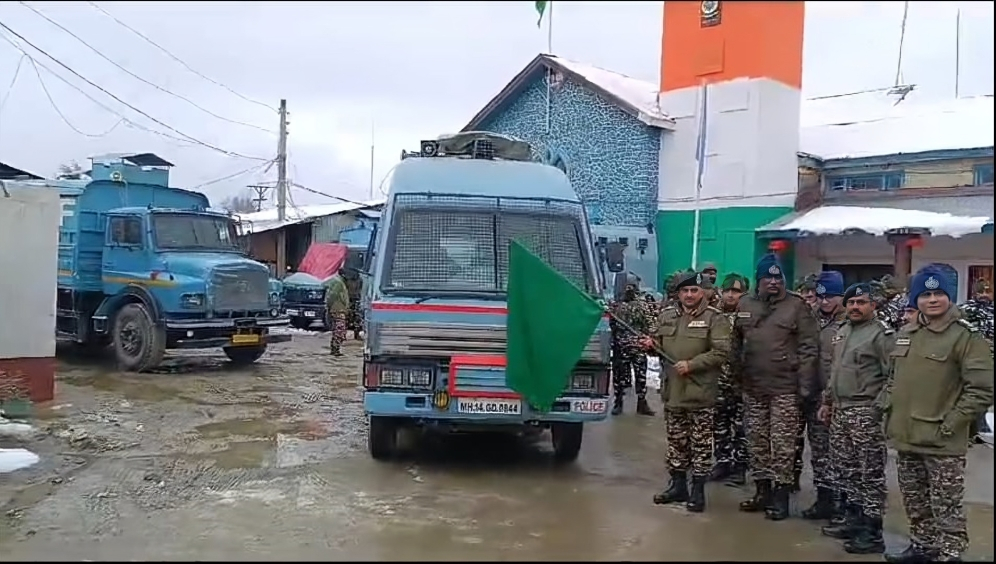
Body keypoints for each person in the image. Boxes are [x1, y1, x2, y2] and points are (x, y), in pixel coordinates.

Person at [883, 266, 994, 563]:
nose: (933, 300)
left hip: (942, 440)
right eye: (926, 294)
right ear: (916, 299)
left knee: (946, 506)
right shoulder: (908, 333)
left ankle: (950, 554)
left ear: (949, 298)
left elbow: (982, 389)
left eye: (939, 294)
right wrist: (886, 411)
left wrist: (952, 424)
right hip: (907, 435)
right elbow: (895, 379)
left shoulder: (965, 337)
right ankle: (923, 547)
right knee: (915, 500)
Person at [731, 253, 819, 521]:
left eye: (777, 276)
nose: (773, 282)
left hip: (785, 388)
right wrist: (736, 377)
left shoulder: (797, 306)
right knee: (757, 442)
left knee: (781, 446)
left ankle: (781, 497)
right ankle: (762, 492)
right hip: (753, 386)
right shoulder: (745, 304)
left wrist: (805, 387)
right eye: (767, 277)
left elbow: (808, 348)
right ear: (758, 280)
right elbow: (736, 342)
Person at [817, 282, 892, 554]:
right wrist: (827, 401)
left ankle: (872, 531)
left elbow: (892, 377)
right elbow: (836, 371)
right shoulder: (843, 331)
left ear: (873, 305)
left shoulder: (881, 335)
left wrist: (879, 408)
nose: (855, 307)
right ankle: (853, 519)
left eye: (861, 302)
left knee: (869, 473)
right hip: (841, 410)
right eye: (851, 303)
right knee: (845, 469)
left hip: (865, 411)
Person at [650, 270, 731, 512]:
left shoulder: (714, 318)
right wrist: (650, 346)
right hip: (673, 391)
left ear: (702, 292)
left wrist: (692, 364)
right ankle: (677, 486)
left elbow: (721, 352)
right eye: (684, 291)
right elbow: (657, 344)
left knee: (701, 444)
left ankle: (697, 491)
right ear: (678, 293)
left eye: (693, 290)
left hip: (699, 393)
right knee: (676, 442)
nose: (689, 295)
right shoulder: (666, 316)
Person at [797, 271, 846, 511]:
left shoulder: (849, 321)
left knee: (840, 454)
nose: (825, 301)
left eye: (830, 297)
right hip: (813, 395)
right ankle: (824, 499)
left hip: (840, 399)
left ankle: (842, 503)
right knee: (819, 451)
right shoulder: (810, 319)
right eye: (821, 297)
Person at [711, 272, 750, 485]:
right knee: (720, 425)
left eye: (736, 292)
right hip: (718, 382)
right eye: (727, 291)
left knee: (741, 427)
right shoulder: (713, 316)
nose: (731, 296)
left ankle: (740, 467)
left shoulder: (749, 317)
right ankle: (722, 462)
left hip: (741, 382)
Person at [610, 274, 656, 416]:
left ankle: (642, 402)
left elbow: (650, 324)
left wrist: (649, 339)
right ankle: (618, 402)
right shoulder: (615, 305)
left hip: (638, 347)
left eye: (631, 287)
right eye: (626, 287)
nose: (628, 289)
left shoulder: (642, 305)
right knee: (619, 376)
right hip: (621, 346)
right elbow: (611, 325)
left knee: (641, 376)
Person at [324, 272, 350, 356]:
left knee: (339, 330)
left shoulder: (338, 282)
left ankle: (335, 348)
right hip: (338, 309)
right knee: (339, 330)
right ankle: (335, 349)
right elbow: (332, 296)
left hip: (338, 309)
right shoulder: (338, 283)